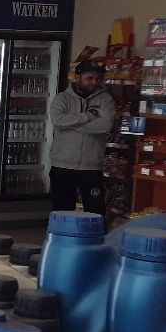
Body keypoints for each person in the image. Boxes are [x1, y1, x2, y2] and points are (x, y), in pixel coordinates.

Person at [48, 60, 115, 215]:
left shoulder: (105, 99)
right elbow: (58, 121)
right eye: (89, 78)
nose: (94, 82)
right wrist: (88, 117)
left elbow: (106, 125)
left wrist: (73, 125)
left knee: (95, 212)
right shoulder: (62, 98)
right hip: (62, 166)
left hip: (92, 167)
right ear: (77, 77)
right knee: (62, 212)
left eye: (97, 78)